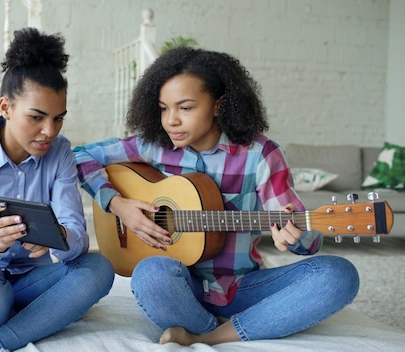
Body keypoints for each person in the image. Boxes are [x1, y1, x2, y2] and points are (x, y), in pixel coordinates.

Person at [73, 47, 359, 346]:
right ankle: (235, 327)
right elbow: (77, 155)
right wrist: (119, 206)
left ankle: (211, 336)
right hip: (182, 285)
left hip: (242, 287)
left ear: (218, 105)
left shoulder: (260, 154)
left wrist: (295, 235)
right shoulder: (154, 146)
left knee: (339, 275)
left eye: (185, 108)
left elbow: (305, 237)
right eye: (163, 108)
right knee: (149, 273)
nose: (171, 120)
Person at [0, 27, 114, 352]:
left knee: (99, 269)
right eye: (37, 117)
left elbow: (78, 237)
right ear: (5, 107)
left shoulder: (60, 152)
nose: (49, 131)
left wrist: (57, 236)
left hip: (31, 281)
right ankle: (43, 314)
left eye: (58, 118)